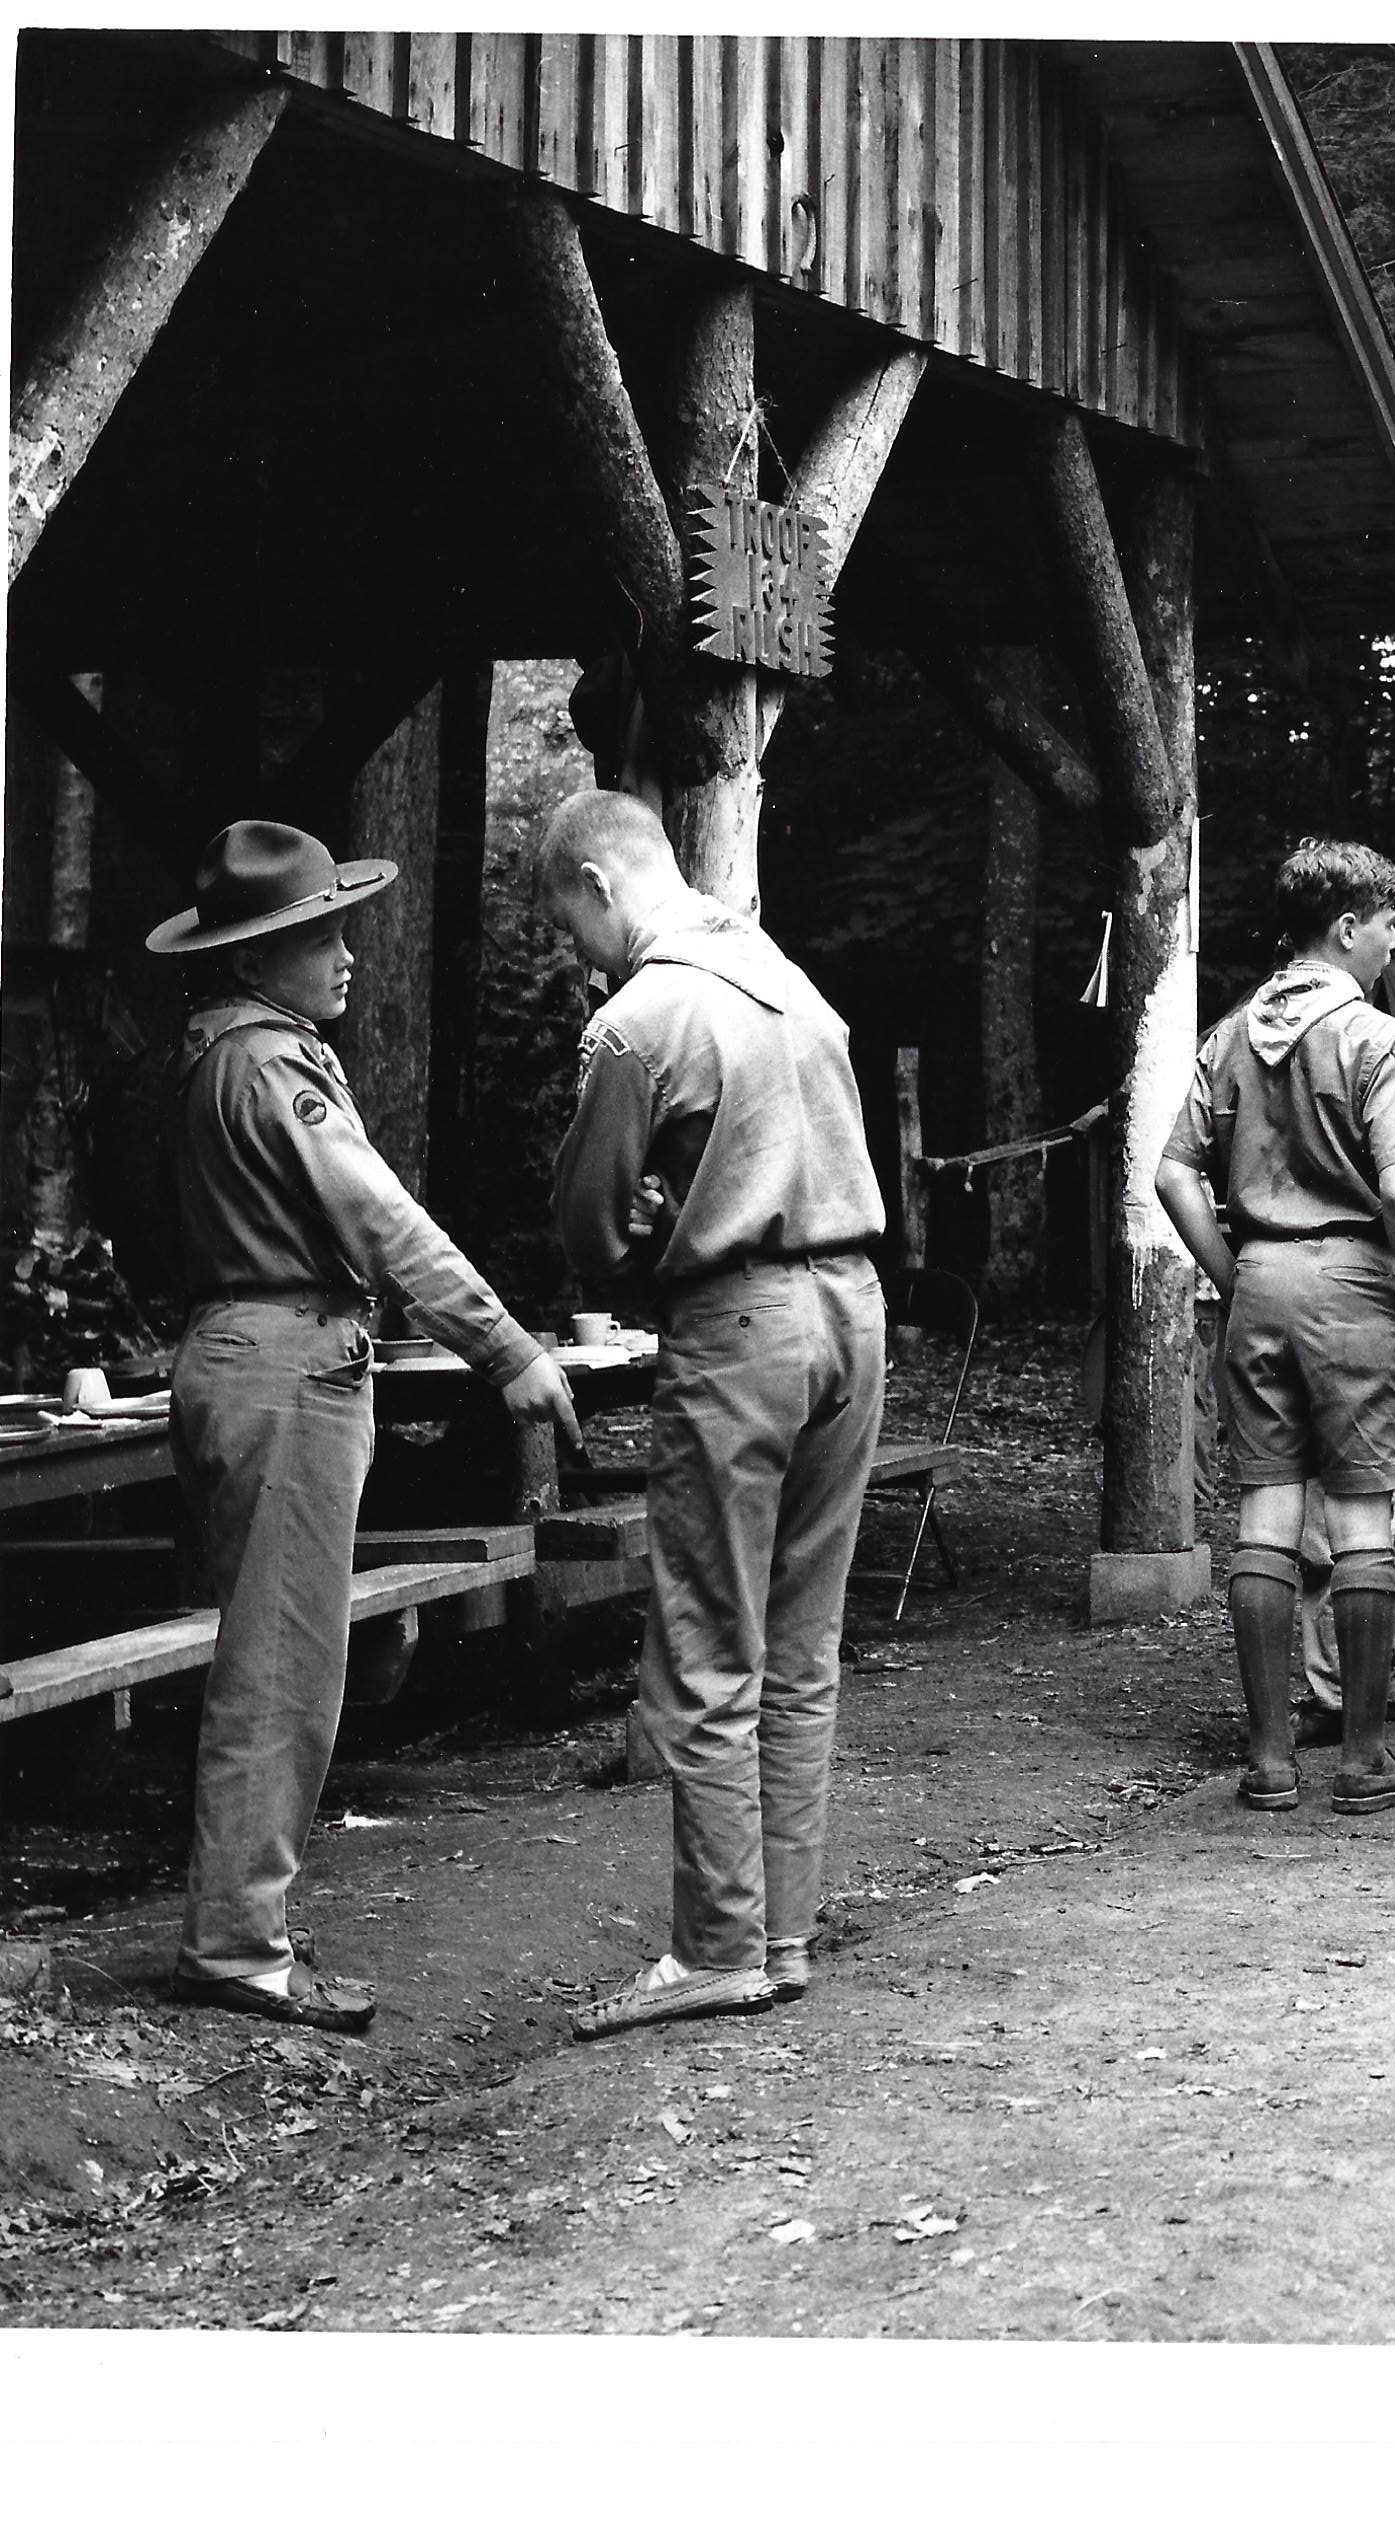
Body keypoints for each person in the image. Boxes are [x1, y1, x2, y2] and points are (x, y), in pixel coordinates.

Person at [149, 819, 582, 2033]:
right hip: (284, 1367)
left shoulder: (212, 1051)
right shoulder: (266, 1065)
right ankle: (237, 1947)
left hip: (256, 1352)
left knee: (277, 1659)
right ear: (253, 954)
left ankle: (240, 1930)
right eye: (318, 935)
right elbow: (380, 1218)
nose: (346, 954)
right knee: (281, 1671)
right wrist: (505, 1348)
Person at [533, 791, 890, 2039]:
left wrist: (642, 1239)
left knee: (704, 1642)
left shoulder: (638, 1020)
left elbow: (587, 1228)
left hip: (741, 1327)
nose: (575, 950)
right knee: (800, 1643)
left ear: (597, 883)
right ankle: (779, 1934)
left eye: (567, 921)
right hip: (854, 1311)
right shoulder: (785, 975)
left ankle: (716, 1947)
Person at [1156, 839, 1395, 1817]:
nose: (1394, 947)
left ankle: (1270, 1760)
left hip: (1261, 1287)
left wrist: (1236, 1275)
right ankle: (1362, 1761)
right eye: (1388, 927)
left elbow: (1172, 1174)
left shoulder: (1230, 1035)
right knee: (1362, 1522)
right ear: (1347, 927)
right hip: (1354, 1289)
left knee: (1265, 1520)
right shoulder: (1377, 1039)